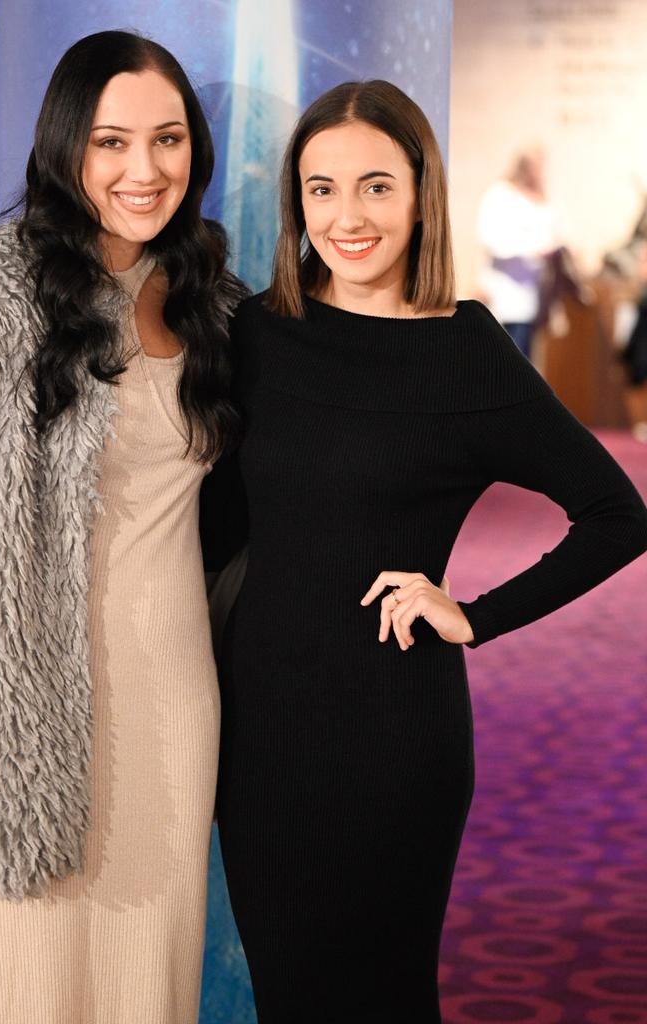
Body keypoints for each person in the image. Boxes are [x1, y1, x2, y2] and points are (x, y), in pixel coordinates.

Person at [207, 81, 647, 1023]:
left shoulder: (466, 353)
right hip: (260, 734)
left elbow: (617, 513)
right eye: (320, 189)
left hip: (394, 734)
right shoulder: (258, 334)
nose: (347, 216)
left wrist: (474, 615)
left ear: (420, 194)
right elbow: (212, 526)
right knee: (291, 998)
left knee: (384, 1001)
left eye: (375, 186)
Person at [0, 29, 244, 1024]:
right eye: (112, 141)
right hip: (17, 714)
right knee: (22, 986)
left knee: (145, 987)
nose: (143, 168)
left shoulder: (214, 301)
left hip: (173, 702)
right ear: (66, 147)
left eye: (167, 140)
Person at [477, 148, 560, 357]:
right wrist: (533, 248)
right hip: (504, 291)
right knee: (501, 359)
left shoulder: (542, 199)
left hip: (530, 296)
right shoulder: (501, 194)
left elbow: (553, 234)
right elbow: (491, 238)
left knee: (524, 363)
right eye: (536, 166)